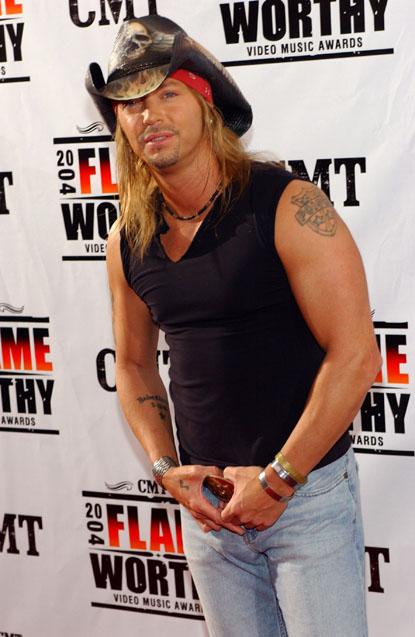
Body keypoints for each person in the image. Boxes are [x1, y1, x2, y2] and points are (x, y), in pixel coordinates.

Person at [87, 13, 381, 637]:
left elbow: (355, 354)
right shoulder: (127, 239)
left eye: (166, 94)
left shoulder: (287, 204)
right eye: (131, 104)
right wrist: (168, 470)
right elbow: (134, 365)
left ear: (206, 104)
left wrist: (279, 481)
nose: (149, 115)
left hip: (305, 499)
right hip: (209, 513)